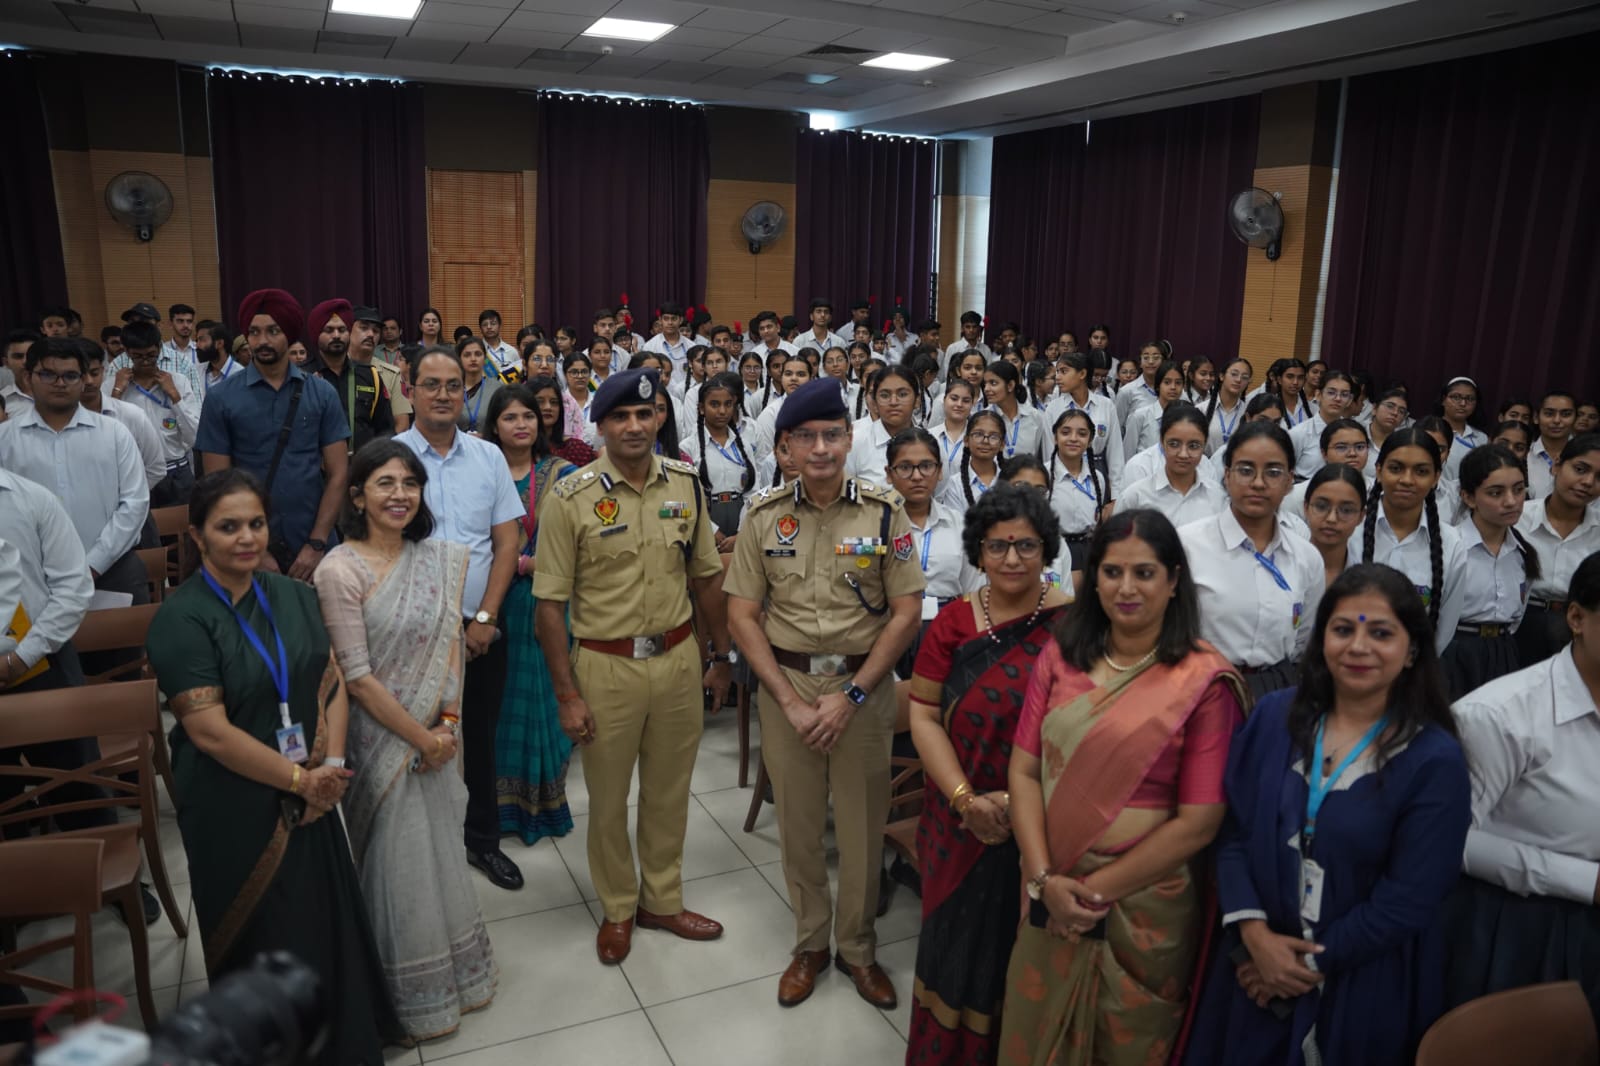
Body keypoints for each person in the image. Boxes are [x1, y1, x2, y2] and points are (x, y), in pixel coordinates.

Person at [145, 469, 402, 1066]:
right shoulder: (181, 620)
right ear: (197, 535)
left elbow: (331, 681)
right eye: (228, 527)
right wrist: (301, 781)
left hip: (314, 790)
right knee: (267, 931)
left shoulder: (293, 594)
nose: (246, 538)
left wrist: (330, 768)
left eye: (256, 524)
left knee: (320, 918)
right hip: (234, 802)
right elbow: (209, 733)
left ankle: (345, 1044)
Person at [1184, 565, 1471, 1066]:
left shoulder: (1434, 759)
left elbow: (1410, 897)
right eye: (1343, 629)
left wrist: (1301, 965)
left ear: (1412, 651)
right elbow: (1233, 834)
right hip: (1251, 969)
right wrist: (1255, 937)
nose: (1358, 647)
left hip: (1363, 981)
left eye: (1381, 633)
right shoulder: (1274, 718)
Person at [998, 508, 1246, 1065]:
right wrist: (1044, 881)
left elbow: (1199, 822)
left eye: (1144, 573)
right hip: (1050, 882)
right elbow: (1024, 771)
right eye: (1111, 572)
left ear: (1174, 580)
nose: (1126, 588)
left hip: (1145, 904)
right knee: (1034, 1032)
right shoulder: (1061, 655)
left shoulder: (1203, 681)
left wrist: (1092, 892)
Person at [726, 378, 923, 1009]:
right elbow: (741, 616)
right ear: (783, 447)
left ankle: (858, 948)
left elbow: (906, 612)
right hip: (787, 687)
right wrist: (788, 701)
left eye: (832, 435)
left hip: (862, 689)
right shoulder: (763, 516)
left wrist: (853, 696)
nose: (820, 448)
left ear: (848, 438)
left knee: (863, 829)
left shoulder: (884, 511)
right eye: (805, 437)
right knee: (800, 825)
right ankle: (810, 944)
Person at [534, 367, 734, 964]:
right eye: (620, 416)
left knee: (670, 792)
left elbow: (707, 579)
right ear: (599, 425)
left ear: (659, 419)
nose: (634, 425)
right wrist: (567, 695)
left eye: (644, 414)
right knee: (608, 797)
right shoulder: (570, 496)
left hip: (676, 659)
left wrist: (721, 657)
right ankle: (619, 907)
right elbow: (549, 607)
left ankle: (662, 901)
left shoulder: (685, 484)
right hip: (605, 666)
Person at [313, 441, 497, 1040]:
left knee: (438, 851)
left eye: (410, 483)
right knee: (395, 864)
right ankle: (402, 1001)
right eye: (384, 483)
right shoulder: (339, 569)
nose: (400, 495)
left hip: (438, 732)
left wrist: (448, 724)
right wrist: (422, 737)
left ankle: (454, 979)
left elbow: (452, 643)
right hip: (381, 742)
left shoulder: (438, 557)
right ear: (357, 495)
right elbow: (356, 677)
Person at [904, 485, 1070, 1064]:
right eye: (997, 546)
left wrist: (1022, 799)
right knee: (955, 949)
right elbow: (923, 716)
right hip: (959, 821)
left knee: (1027, 954)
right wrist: (965, 798)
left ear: (1047, 548)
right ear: (978, 551)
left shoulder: (1073, 624)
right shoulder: (953, 623)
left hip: (1046, 821)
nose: (1012, 558)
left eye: (1027, 545)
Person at [1445, 550, 1600, 1028]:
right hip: (1522, 926)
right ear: (1576, 618)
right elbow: (1449, 841)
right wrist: (1583, 881)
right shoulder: (1500, 716)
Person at [395, 346, 526, 891]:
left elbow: (507, 542)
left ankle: (482, 841)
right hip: (412, 631)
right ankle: (419, 849)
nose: (444, 394)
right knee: (414, 739)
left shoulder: (488, 457)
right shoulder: (390, 458)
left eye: (453, 385)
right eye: (431, 384)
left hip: (480, 627)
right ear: (410, 389)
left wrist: (486, 617)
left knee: (481, 736)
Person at [197, 289, 350, 578]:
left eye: (273, 331)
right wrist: (255, 550)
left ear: (289, 334)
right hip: (247, 548)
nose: (262, 341)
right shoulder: (221, 398)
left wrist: (316, 543)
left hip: (315, 546)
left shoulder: (322, 393)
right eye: (254, 332)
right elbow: (217, 483)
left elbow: (339, 473)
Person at [484, 384, 575, 845]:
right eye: (510, 417)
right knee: (500, 704)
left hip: (546, 601)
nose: (521, 425)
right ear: (494, 426)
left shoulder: (563, 474)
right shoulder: (481, 472)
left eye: (529, 416)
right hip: (491, 602)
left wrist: (524, 563)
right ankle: (497, 807)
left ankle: (540, 804)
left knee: (542, 697)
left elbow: (577, 547)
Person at [1182, 421, 1325, 699]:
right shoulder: (1188, 544)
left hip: (1277, 687)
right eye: (1246, 470)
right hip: (1203, 686)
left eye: (1273, 472)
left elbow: (1303, 640)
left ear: (1289, 481)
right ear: (1227, 475)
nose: (1258, 483)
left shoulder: (1306, 557)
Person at [0, 338, 150, 603]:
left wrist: (93, 564)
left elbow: (135, 503)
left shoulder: (114, 433)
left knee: (123, 632)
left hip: (113, 569)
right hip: (29, 577)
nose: (60, 383)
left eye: (70, 375)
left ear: (83, 380)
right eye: (48, 374)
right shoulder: (5, 439)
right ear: (28, 377)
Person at [1351, 427, 1466, 655]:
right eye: (1396, 468)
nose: (1407, 480)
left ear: (1436, 478)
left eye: (1421, 471)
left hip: (1414, 666)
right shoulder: (1351, 530)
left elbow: (1444, 627)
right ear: (1379, 470)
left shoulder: (1451, 544)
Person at [1440, 444, 1540, 698]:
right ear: (1468, 497)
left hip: (1503, 651)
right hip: (1454, 652)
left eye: (1518, 490)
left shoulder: (1522, 552)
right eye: (1496, 493)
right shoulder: (1449, 547)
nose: (1511, 501)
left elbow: (1516, 617)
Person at [1514, 432, 1600, 664]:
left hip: (1576, 626)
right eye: (1580, 469)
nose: (1588, 482)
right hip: (1521, 622)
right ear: (1557, 466)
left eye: (1599, 477)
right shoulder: (1518, 518)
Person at [111, 320, 200, 506]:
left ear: (160, 348)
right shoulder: (114, 385)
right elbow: (105, 434)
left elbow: (194, 436)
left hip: (176, 473)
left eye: (151, 355)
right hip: (135, 474)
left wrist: (174, 396)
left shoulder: (178, 381)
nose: (145, 361)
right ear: (127, 352)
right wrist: (117, 393)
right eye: (137, 356)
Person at [1116, 403, 1227, 527]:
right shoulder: (1135, 497)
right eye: (1174, 444)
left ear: (1204, 445)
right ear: (1161, 442)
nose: (1183, 454)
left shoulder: (1219, 498)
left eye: (1193, 446)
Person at [306, 299, 394, 453]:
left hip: (363, 464)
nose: (336, 335)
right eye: (329, 330)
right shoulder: (303, 377)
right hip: (316, 465)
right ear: (317, 334)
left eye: (342, 330)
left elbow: (385, 430)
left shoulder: (370, 375)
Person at [682, 372, 755, 543]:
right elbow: (685, 497)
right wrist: (711, 530)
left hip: (741, 519)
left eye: (728, 404)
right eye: (714, 404)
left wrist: (741, 532)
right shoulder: (687, 448)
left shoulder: (743, 445)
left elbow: (752, 492)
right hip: (705, 520)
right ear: (701, 408)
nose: (722, 411)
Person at [847, 365, 922, 485]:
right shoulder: (855, 443)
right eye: (885, 395)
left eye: (902, 394)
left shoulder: (930, 442)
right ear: (875, 402)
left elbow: (938, 492)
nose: (893, 402)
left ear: (917, 400)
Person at [1303, 464, 1368, 591]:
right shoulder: (1283, 566)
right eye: (1321, 507)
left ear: (1361, 516)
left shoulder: (1366, 575)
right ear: (1306, 507)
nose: (1331, 519)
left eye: (1346, 510)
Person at [941, 409, 1006, 515]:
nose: (985, 441)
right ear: (966, 440)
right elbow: (956, 523)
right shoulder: (954, 485)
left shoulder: (1011, 479)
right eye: (978, 434)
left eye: (993, 436)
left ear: (1002, 444)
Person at [528, 374, 596, 466]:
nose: (548, 407)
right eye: (540, 401)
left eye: (554, 402)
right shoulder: (518, 449)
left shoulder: (576, 449)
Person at [1121, 360, 1186, 456]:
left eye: (1178, 383)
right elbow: (1127, 454)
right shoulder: (1140, 416)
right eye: (1167, 382)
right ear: (1158, 385)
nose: (1173, 387)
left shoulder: (1187, 417)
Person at [1528, 390, 1577, 500]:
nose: (1557, 420)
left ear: (1576, 418)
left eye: (1566, 414)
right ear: (1536, 417)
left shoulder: (1589, 457)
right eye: (1549, 414)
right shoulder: (1524, 455)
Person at [1439, 376, 1488, 481]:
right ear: (1443, 400)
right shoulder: (1429, 430)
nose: (1463, 403)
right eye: (1456, 397)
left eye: (1469, 399)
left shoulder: (1482, 438)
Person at [455, 336, 502, 435]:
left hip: (488, 442)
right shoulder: (451, 388)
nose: (473, 359)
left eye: (478, 354)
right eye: (467, 355)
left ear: (485, 359)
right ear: (459, 359)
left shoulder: (497, 388)